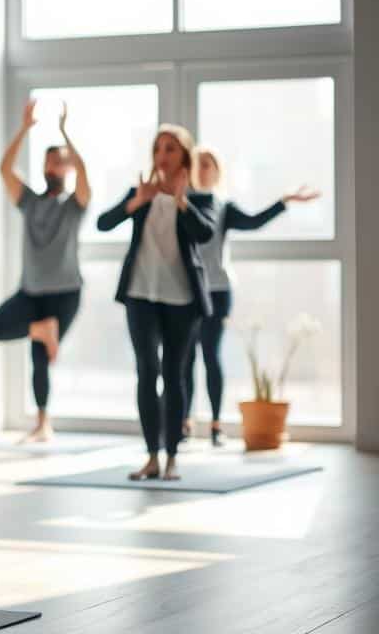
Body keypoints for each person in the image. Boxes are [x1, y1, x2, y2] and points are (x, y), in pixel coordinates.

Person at [97, 125, 215, 481]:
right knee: (147, 371)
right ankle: (151, 456)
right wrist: (136, 201)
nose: (162, 155)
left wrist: (181, 202)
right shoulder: (141, 193)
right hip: (140, 295)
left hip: (182, 299)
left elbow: (205, 233)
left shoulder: (197, 198)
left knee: (174, 374)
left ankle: (172, 457)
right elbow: (103, 223)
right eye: (158, 149)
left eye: (170, 149)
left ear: (184, 156)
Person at [181, 146, 321, 446]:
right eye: (197, 164)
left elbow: (254, 221)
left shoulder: (223, 207)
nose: (202, 170)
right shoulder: (179, 203)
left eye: (207, 165)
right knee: (185, 357)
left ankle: (216, 424)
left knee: (211, 355)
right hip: (187, 290)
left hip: (217, 290)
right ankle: (184, 422)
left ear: (217, 172)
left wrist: (285, 201)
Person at [0, 99, 90, 442]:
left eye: (60, 162)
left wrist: (65, 134)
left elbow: (85, 174)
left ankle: (43, 423)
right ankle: (42, 330)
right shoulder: (29, 202)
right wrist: (25, 129)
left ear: (68, 168)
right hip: (31, 292)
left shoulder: (74, 206)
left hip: (65, 294)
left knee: (40, 359)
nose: (53, 167)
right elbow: (4, 169)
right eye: (49, 161)